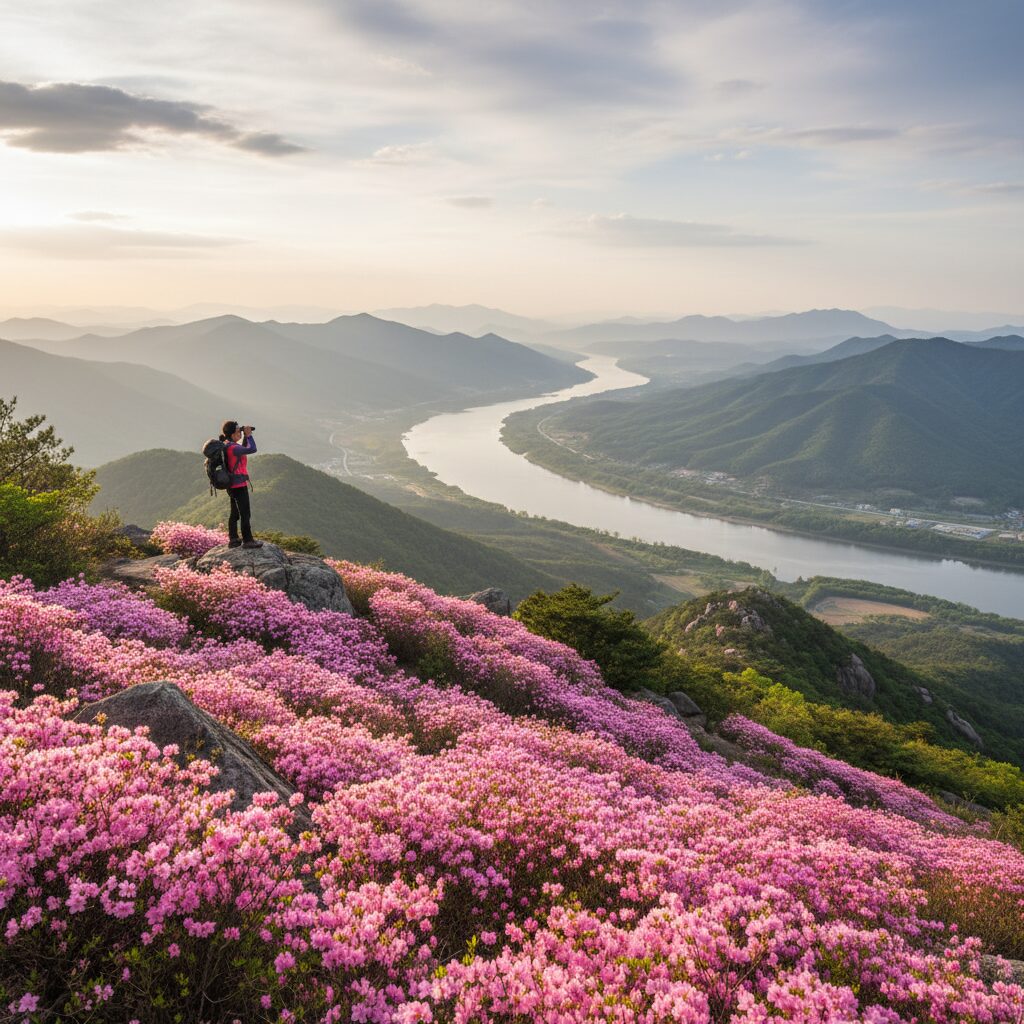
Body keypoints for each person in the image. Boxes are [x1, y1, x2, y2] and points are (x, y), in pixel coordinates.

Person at [221, 420, 262, 549]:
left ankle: (233, 539)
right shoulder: (234, 448)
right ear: (232, 434)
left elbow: (243, 450)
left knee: (235, 513)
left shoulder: (227, 445)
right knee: (245, 513)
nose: (240, 433)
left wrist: (244, 436)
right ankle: (248, 540)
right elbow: (252, 449)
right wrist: (249, 435)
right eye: (238, 431)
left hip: (231, 484)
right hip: (239, 485)